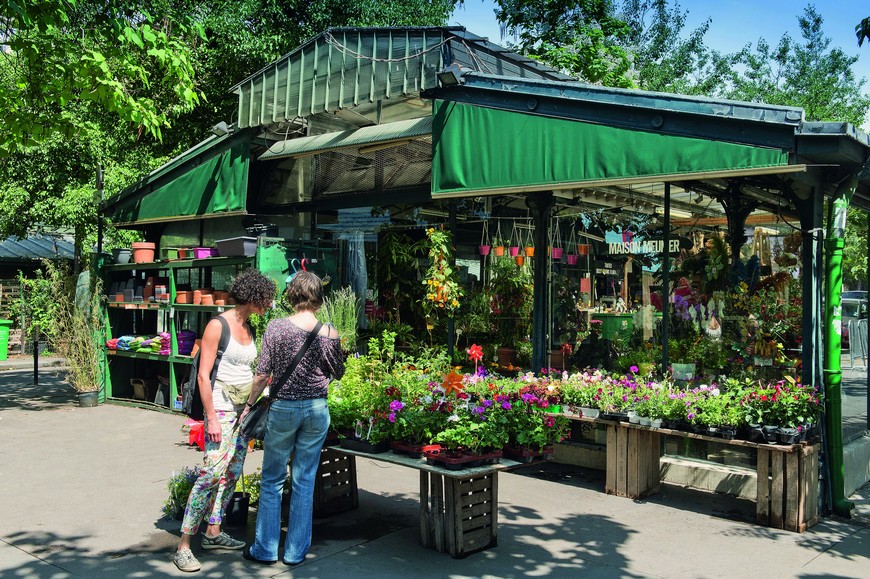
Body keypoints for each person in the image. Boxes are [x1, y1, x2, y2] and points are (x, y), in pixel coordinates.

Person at [173, 268, 276, 573]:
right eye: (266, 298)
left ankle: (214, 531)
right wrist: (211, 419)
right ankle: (183, 546)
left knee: (232, 473)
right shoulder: (218, 325)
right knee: (209, 474)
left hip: (243, 411)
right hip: (219, 409)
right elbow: (204, 376)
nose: (269, 304)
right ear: (253, 296)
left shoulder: (250, 328)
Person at [240, 271, 345, 566]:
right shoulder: (329, 332)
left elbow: (262, 374)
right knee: (304, 480)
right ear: (317, 298)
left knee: (272, 479)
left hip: (284, 409)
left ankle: (266, 549)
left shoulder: (276, 328)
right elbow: (339, 371)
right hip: (315, 410)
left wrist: (249, 404)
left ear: (293, 295)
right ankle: (296, 552)